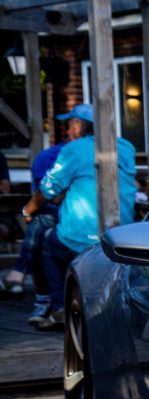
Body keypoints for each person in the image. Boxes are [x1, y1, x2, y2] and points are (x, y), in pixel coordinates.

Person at [21, 103, 137, 331]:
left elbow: (48, 190)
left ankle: (58, 307)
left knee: (48, 241)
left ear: (82, 125)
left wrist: (28, 210)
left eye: (71, 124)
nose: (68, 130)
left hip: (82, 238)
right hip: (122, 235)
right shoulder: (125, 147)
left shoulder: (74, 149)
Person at [4, 125, 76, 323]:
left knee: (39, 227)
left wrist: (28, 211)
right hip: (59, 214)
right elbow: (51, 196)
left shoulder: (96, 153)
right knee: (42, 229)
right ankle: (48, 301)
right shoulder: (48, 157)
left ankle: (41, 296)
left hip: (81, 217)